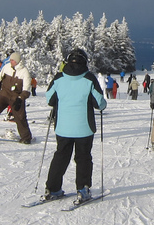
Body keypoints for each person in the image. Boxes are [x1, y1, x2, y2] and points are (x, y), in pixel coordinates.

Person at [44, 48, 107, 204]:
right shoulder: (89, 78)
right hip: (84, 127)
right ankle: (83, 190)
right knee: (83, 157)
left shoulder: (59, 78)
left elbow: (49, 99)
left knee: (61, 156)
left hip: (62, 127)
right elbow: (100, 103)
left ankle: (52, 189)